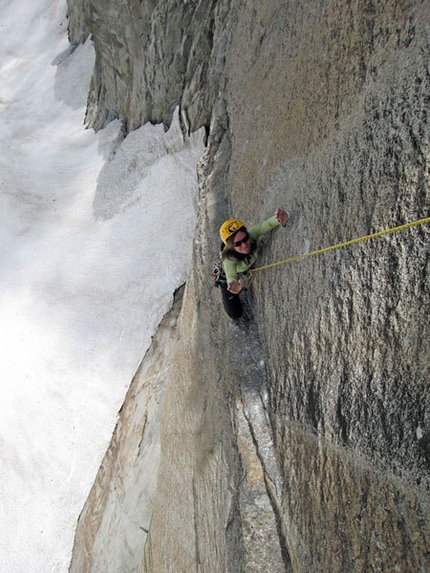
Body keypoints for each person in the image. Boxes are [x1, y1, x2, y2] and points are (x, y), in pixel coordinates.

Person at [218, 207, 289, 319]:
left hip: (242, 268)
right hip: (229, 276)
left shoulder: (251, 235)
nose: (244, 245)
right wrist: (233, 284)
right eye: (238, 244)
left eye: (245, 238)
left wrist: (279, 220)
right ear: (231, 247)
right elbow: (230, 274)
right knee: (235, 314)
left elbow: (265, 225)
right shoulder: (229, 259)